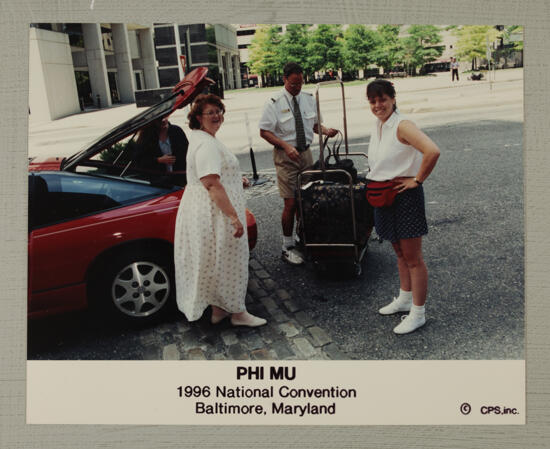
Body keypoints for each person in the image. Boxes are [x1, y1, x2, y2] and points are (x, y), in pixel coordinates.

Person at [174, 94, 266, 327]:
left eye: (219, 111)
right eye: (210, 112)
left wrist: (236, 178)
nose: (216, 116)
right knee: (232, 258)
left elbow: (216, 174)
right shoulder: (206, 144)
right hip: (215, 212)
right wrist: (234, 217)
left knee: (217, 259)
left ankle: (219, 309)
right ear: (197, 117)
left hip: (207, 209)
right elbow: (212, 183)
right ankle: (237, 313)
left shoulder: (203, 138)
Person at [366, 80, 440, 334]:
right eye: (373, 101)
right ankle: (404, 298)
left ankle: (418, 313)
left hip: (404, 196)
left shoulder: (402, 124)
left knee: (413, 258)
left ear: (393, 99)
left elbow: (432, 151)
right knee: (398, 252)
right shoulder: (380, 125)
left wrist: (417, 179)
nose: (378, 105)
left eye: (383, 99)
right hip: (384, 195)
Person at [259, 62, 338, 265]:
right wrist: (285, 146)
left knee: (307, 201)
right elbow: (264, 131)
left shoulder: (309, 99)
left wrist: (326, 130)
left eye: (300, 83)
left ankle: (302, 236)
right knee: (291, 202)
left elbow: (314, 125)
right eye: (294, 84)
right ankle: (286, 245)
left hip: (305, 155)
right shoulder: (273, 102)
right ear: (285, 79)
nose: (298, 87)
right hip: (286, 157)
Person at [133, 117, 189, 185]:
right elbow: (139, 161)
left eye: (165, 117)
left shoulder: (177, 131)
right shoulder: (147, 136)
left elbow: (187, 153)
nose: (163, 120)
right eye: (160, 118)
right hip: (158, 182)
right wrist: (158, 160)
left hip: (179, 179)